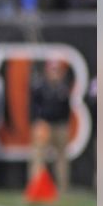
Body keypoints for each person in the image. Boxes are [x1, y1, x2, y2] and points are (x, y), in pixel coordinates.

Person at [30, 60, 73, 193]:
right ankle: (36, 186)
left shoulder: (63, 88)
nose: (54, 74)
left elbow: (67, 109)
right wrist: (37, 121)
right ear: (46, 71)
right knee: (39, 156)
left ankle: (63, 187)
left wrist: (66, 124)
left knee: (62, 158)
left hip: (60, 125)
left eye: (57, 71)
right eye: (52, 70)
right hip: (44, 125)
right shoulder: (40, 86)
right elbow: (33, 106)